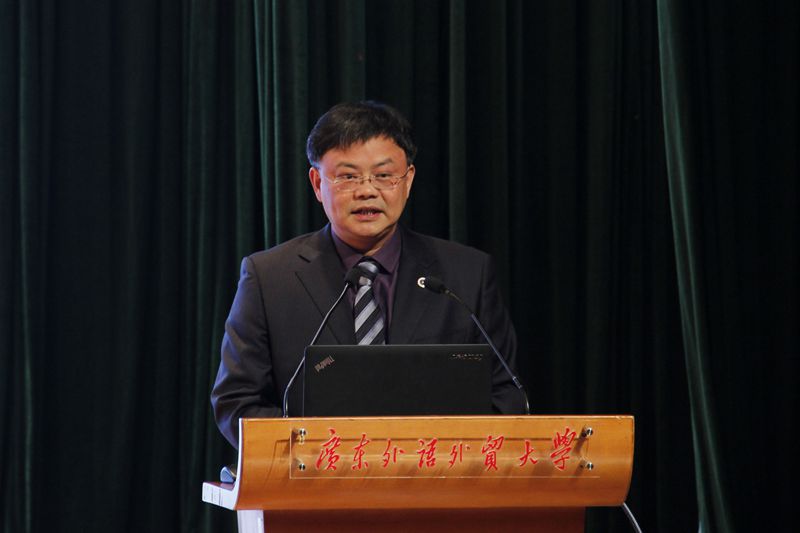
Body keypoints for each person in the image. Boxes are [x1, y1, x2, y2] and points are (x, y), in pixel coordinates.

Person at [211, 101, 524, 448]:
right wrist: (322, 452)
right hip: (313, 476)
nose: (367, 190)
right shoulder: (270, 278)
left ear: (408, 180)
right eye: (348, 176)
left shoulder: (465, 275)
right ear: (317, 183)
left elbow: (505, 396)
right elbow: (237, 402)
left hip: (434, 477)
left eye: (384, 175)